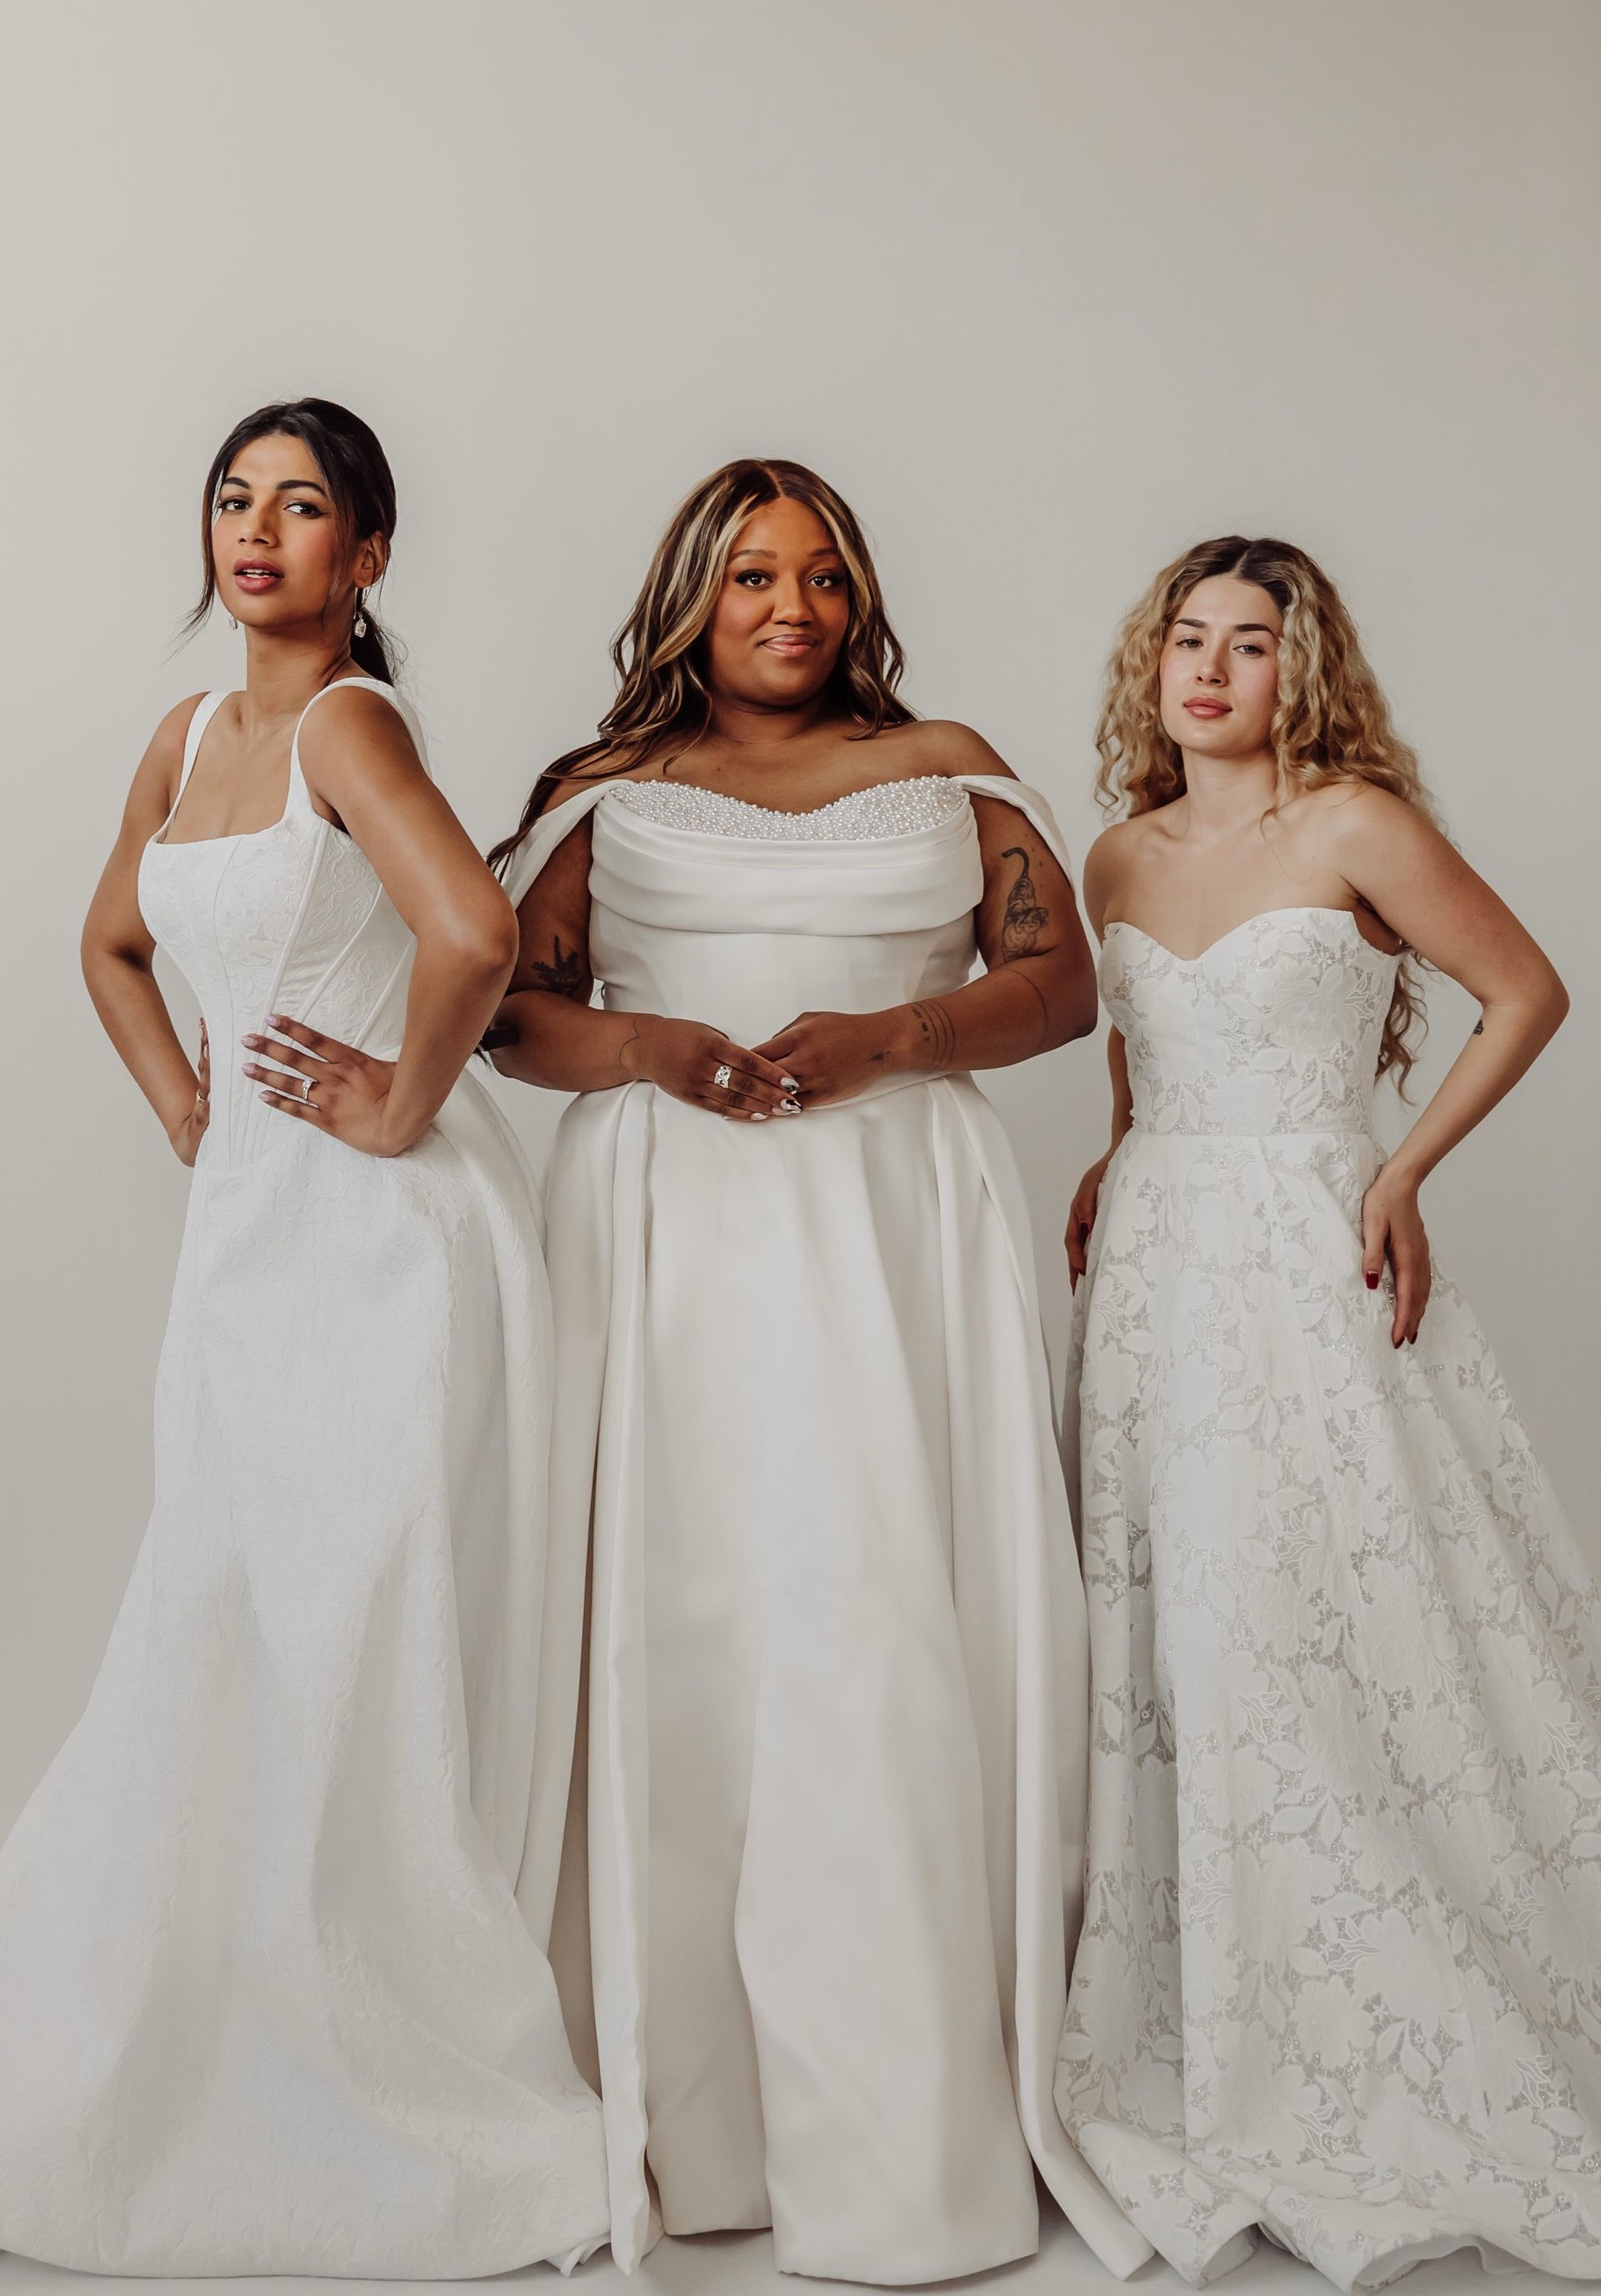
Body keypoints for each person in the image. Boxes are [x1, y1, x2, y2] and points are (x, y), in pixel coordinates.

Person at [487, 459, 1148, 2284]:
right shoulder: (604, 796)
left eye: (826, 578)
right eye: (755, 576)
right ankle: (695, 2137)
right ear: (690, 593)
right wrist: (651, 1050)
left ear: (861, 602)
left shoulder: (948, 763)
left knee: (873, 1638)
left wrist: (891, 1039)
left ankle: (901, 2153)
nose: (793, 606)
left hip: (888, 1225)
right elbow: (504, 1010)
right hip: (668, 1234)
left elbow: (1059, 985)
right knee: (684, 1644)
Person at [0, 399, 608, 2275]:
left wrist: (401, 1104)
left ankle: (393, 2067)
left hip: (383, 1248)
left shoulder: (350, 720)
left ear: (370, 556)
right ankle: (224, 2046)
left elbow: (476, 936)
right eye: (234, 501)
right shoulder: (187, 738)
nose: (257, 533)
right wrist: (189, 1103)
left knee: (354, 1627)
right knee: (227, 1610)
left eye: (305, 508)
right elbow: (108, 941)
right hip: (250, 1234)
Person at [1056, 534, 1600, 2289]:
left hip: (1307, 1250)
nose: (1209, 670)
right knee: (1176, 1646)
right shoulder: (1115, 855)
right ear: (1153, 664)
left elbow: (1529, 993)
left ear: (1306, 671)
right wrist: (1115, 1153)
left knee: (1326, 1625)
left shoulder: (1353, 824)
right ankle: (1204, 2035)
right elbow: (1140, 1051)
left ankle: (1387, 2019)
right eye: (1185, 639)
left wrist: (1405, 1168)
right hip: (1153, 1272)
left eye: (1250, 644)